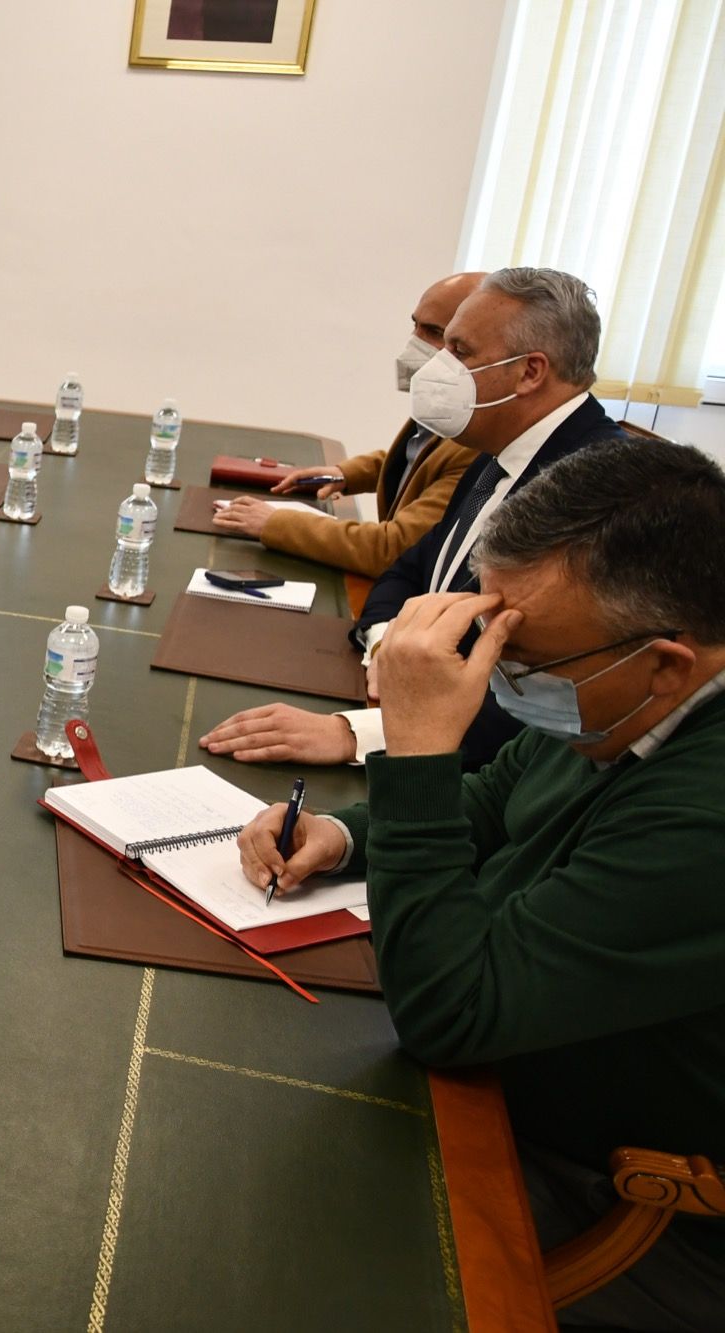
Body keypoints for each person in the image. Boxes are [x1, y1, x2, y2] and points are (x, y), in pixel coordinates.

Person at [235, 440, 725, 1331]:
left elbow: (448, 1014)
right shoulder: (621, 693)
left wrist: (417, 746)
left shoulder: (706, 813)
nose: (498, 677)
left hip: (622, 1197)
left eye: (519, 657)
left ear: (668, 663)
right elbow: (499, 797)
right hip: (519, 1076)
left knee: (271, 1253)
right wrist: (344, 835)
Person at [200, 267, 628, 770]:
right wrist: (389, 646)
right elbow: (408, 570)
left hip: (469, 773)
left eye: (459, 351)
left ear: (530, 372)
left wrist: (359, 734)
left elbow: (548, 700)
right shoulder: (499, 450)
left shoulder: (600, 492)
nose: (437, 365)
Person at [212, 273, 483, 576]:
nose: (414, 343)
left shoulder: (476, 441)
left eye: (433, 332)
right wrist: (347, 474)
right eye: (415, 325)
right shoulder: (448, 406)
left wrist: (274, 523)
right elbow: (419, 459)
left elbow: (391, 549)